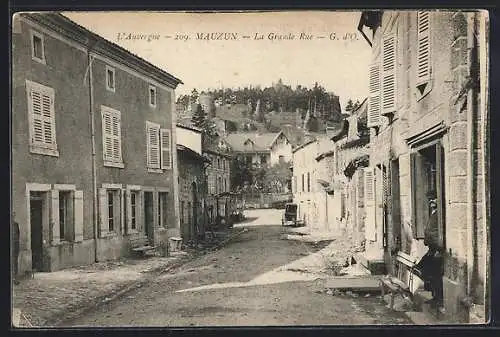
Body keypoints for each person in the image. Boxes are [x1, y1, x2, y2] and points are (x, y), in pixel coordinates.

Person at [414, 190, 443, 309]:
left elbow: (437, 233)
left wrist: (438, 250)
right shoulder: (434, 212)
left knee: (434, 274)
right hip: (431, 249)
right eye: (429, 199)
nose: (431, 201)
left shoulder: (439, 214)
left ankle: (438, 298)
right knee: (422, 269)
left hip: (436, 250)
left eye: (433, 199)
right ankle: (434, 296)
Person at [12, 219, 20, 285]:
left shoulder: (15, 224)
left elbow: (18, 235)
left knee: (15, 263)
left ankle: (15, 278)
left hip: (15, 246)